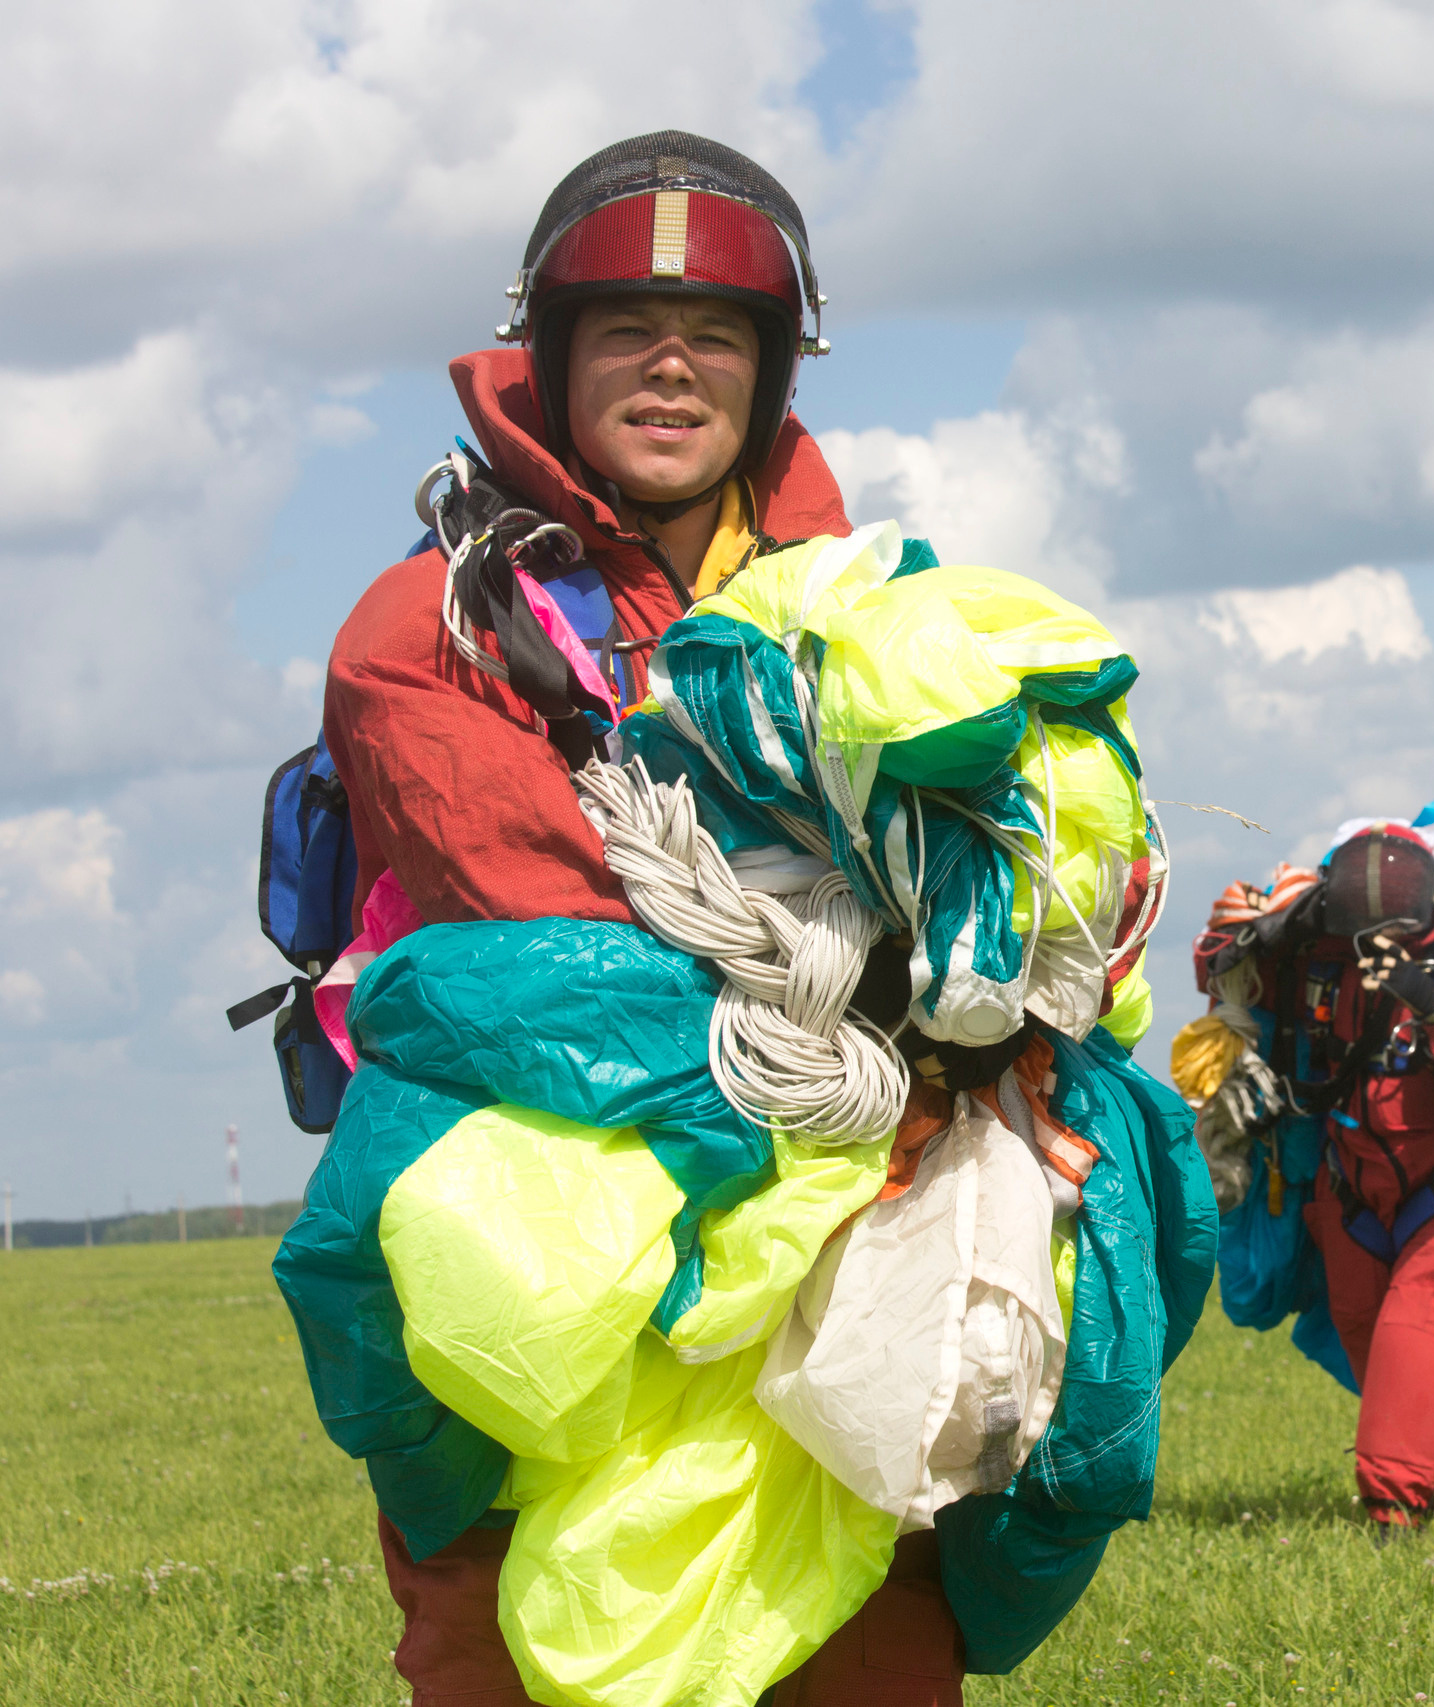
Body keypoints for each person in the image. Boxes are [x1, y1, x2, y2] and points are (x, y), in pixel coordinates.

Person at [324, 132, 963, 1707]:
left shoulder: (869, 615)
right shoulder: (434, 626)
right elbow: (575, 956)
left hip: (833, 1252)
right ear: (549, 357)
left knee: (864, 1649)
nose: (674, 367)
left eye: (718, 335)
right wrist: (891, 1019)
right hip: (546, 1261)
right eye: (627, 331)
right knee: (519, 1647)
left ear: (770, 372)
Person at [1280, 826, 1434, 1536]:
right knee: (1383, 1352)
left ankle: (1393, 1514)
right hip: (1352, 1195)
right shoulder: (1320, 971)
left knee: (1412, 1335)